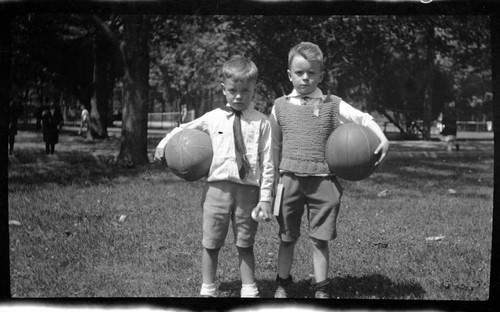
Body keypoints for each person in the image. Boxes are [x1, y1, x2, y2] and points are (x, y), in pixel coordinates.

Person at [270, 42, 390, 298]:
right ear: (289, 74)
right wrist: (271, 185)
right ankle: (282, 283)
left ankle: (321, 288)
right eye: (299, 72)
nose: (305, 78)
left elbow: (364, 118)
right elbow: (274, 148)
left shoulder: (332, 104)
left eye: (311, 73)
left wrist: (383, 138)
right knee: (286, 236)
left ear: (321, 75)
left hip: (323, 182)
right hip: (288, 180)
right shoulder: (279, 106)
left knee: (320, 238)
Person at [154, 56, 274, 298]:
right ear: (223, 89)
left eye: (245, 91)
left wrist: (266, 198)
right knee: (211, 242)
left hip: (248, 192)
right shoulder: (214, 117)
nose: (238, 96)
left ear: (254, 90)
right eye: (233, 91)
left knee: (245, 242)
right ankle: (207, 288)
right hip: (217, 190)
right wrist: (164, 144)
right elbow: (184, 128)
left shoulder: (262, 122)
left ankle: (249, 287)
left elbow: (269, 163)